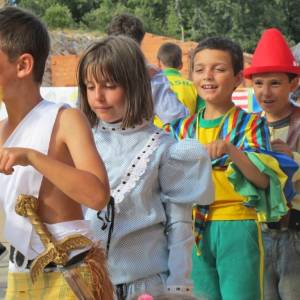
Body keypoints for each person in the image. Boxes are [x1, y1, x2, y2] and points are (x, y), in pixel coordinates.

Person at [78, 35, 214, 300]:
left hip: (147, 287)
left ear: (134, 85)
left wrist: (178, 286)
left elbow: (179, 225)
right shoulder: (80, 141)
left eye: (109, 85)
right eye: (89, 86)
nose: (98, 97)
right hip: (88, 284)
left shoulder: (166, 148)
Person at [165, 36, 290, 300]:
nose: (207, 76)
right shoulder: (179, 129)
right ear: (191, 76)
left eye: (219, 69)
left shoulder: (251, 125)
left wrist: (232, 151)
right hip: (190, 230)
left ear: (237, 78)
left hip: (238, 225)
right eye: (199, 69)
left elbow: (264, 180)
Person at [0, 7, 113, 299]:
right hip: (19, 275)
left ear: (23, 65)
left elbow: (97, 196)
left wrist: (33, 157)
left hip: (70, 273)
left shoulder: (66, 119)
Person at [244, 27, 300, 300]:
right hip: (258, 235)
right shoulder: (247, 127)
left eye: (275, 83)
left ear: (293, 84)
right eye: (258, 83)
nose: (265, 92)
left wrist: (293, 159)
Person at [107, 13, 188, 128]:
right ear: (141, 40)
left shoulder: (93, 72)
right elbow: (176, 117)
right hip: (141, 141)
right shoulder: (152, 76)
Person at [156, 42, 200, 115]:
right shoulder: (193, 86)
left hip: (160, 126)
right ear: (181, 65)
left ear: (158, 62)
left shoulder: (155, 84)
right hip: (187, 125)